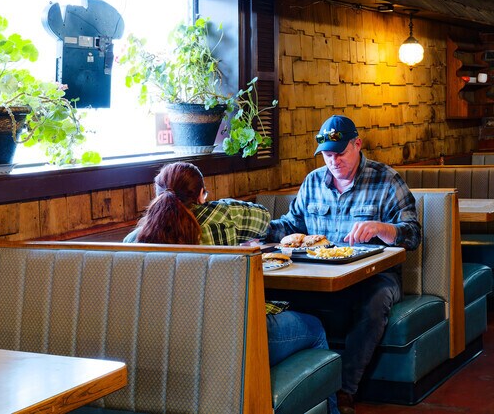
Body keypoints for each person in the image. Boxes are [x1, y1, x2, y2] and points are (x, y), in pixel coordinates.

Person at [124, 161, 340, 414]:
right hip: (232, 339)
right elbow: (264, 218)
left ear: (157, 194)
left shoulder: (133, 240)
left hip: (167, 348)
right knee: (315, 329)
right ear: (202, 194)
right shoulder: (224, 216)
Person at [266, 115, 422, 414]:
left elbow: (413, 235)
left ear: (357, 144)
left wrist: (381, 228)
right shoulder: (313, 182)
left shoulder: (386, 179)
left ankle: (346, 390)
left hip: (374, 276)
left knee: (375, 301)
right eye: (328, 154)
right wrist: (257, 232)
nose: (334, 161)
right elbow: (290, 225)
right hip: (319, 274)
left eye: (341, 152)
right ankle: (312, 389)